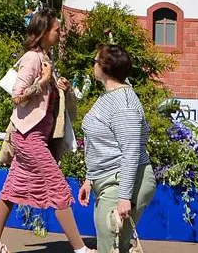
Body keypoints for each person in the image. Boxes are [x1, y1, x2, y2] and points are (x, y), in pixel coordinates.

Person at [0, 11, 91, 253]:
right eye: (57, 30)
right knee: (59, 187)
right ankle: (80, 249)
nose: (60, 34)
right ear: (43, 32)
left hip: (37, 135)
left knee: (12, 188)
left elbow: (43, 98)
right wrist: (44, 81)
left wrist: (56, 84)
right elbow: (17, 97)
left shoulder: (46, 57)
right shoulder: (32, 59)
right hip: (28, 137)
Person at [78, 44, 153, 253]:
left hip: (120, 183)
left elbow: (130, 152)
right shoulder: (110, 95)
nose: (93, 65)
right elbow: (103, 143)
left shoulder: (124, 105)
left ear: (105, 67)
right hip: (108, 180)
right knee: (113, 246)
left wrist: (124, 197)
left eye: (95, 61)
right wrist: (90, 179)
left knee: (109, 247)